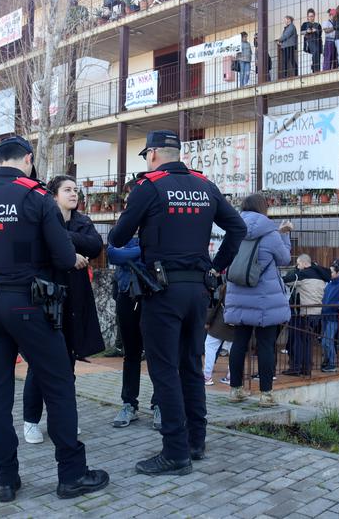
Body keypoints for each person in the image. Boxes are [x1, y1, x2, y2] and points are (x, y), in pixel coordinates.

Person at [0, 136, 109, 502]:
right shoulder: (35, 196)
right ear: (27, 159)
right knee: (58, 385)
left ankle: (5, 480)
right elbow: (61, 254)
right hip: (27, 302)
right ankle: (71, 475)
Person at [108, 129, 246, 475]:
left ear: (153, 154)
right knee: (190, 365)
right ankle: (196, 442)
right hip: (197, 291)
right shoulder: (205, 185)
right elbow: (238, 229)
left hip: (162, 291)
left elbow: (117, 237)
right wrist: (215, 268)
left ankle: (174, 452)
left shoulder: (148, 187)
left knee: (164, 369)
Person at [22, 174, 105, 443]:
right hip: (47, 298)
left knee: (68, 361)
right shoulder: (40, 219)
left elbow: (95, 245)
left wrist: (63, 239)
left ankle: (63, 419)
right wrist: (70, 254)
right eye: (67, 190)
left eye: (76, 190)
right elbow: (41, 250)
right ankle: (30, 420)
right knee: (40, 363)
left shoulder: (81, 221)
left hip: (75, 299)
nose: (74, 194)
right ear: (53, 195)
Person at [223, 194, 291, 407]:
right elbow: (284, 259)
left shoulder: (234, 230)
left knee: (239, 343)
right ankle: (266, 395)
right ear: (263, 209)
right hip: (264, 300)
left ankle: (235, 390)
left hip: (239, 295)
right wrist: (285, 236)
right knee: (265, 345)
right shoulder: (270, 234)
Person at [106, 187, 161, 428]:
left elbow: (153, 255)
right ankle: (129, 404)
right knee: (131, 353)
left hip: (152, 296)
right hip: (127, 295)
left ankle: (160, 403)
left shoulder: (156, 224)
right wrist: (140, 252)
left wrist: (130, 253)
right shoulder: (122, 227)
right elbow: (112, 254)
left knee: (157, 353)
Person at [283, 254, 330, 376]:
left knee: (297, 342)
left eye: (298, 264)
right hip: (316, 313)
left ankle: (296, 368)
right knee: (308, 342)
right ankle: (306, 368)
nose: (298, 266)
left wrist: (295, 270)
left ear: (304, 263)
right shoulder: (321, 274)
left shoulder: (303, 274)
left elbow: (286, 280)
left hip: (304, 313)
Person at [203, 281, 233, 386]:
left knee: (210, 348)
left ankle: (207, 376)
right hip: (237, 326)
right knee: (233, 351)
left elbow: (217, 308)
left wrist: (208, 322)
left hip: (219, 324)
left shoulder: (226, 288)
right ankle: (231, 376)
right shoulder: (247, 289)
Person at [301, 9, 322, 74]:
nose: (311, 18)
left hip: (317, 42)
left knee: (317, 55)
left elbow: (320, 33)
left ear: (314, 16)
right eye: (309, 16)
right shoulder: (305, 24)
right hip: (309, 42)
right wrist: (307, 31)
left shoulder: (318, 24)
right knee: (315, 53)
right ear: (307, 17)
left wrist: (316, 30)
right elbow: (301, 32)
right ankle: (314, 68)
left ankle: (316, 70)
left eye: (312, 16)